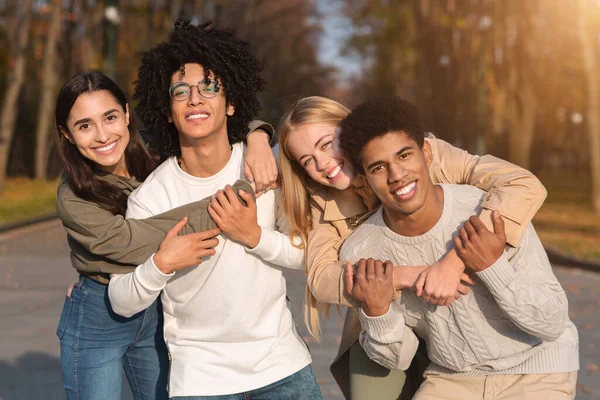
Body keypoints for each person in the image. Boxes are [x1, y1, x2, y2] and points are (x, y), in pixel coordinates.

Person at [277, 96, 548, 399]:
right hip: (390, 313)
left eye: (327, 144)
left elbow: (521, 184)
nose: (322, 163)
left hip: (463, 308)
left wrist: (455, 261)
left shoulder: (423, 153)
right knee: (371, 391)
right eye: (307, 161)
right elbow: (321, 278)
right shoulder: (323, 203)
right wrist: (408, 275)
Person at [107, 20, 321, 400]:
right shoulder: (151, 198)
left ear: (231, 102)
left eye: (209, 87)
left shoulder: (263, 169)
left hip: (281, 365)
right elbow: (121, 299)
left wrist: (253, 236)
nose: (195, 99)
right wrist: (161, 265)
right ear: (168, 111)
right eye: (180, 91)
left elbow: (310, 251)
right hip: (202, 379)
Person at [54, 70, 277, 400]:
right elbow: (138, 241)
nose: (102, 135)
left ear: (127, 114)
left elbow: (213, 126)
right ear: (67, 134)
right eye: (85, 125)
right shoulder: (73, 198)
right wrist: (238, 195)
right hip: (99, 317)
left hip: (156, 305)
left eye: (110, 117)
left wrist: (259, 137)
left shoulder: (155, 148)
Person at [339, 96, 579, 400]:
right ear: (363, 178)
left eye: (404, 155)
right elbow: (397, 359)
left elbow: (552, 322)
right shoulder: (362, 251)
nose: (396, 174)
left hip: (536, 369)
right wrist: (377, 313)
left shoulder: (487, 208)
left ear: (426, 153)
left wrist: (492, 266)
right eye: (378, 167)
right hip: (452, 380)